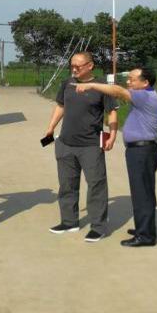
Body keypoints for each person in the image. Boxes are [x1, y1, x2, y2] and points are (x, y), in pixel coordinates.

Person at [75, 67, 157, 247]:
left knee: (142, 193)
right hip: (141, 151)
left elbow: (117, 91)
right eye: (128, 78)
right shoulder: (146, 95)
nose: (128, 82)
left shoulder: (145, 96)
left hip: (142, 152)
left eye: (132, 79)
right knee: (141, 192)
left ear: (145, 82)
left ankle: (145, 236)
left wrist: (91, 85)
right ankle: (143, 228)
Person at [43, 52, 118, 243]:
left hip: (91, 145)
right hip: (66, 143)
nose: (74, 69)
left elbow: (111, 112)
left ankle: (98, 227)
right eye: (72, 66)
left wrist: (113, 135)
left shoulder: (101, 86)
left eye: (78, 66)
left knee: (96, 185)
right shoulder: (67, 83)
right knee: (67, 184)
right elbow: (61, 106)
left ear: (90, 65)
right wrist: (51, 127)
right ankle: (69, 221)